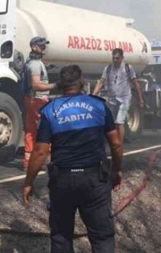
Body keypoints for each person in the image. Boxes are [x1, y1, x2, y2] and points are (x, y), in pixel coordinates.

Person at [23, 65, 123, 253]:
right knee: (102, 237)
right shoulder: (99, 106)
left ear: (60, 84)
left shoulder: (50, 111)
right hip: (95, 181)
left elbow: (40, 152)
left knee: (61, 237)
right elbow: (116, 145)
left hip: (63, 182)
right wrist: (116, 171)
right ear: (83, 81)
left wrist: (28, 182)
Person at [91, 48, 144, 142]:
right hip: (112, 100)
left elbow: (135, 83)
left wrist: (140, 98)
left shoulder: (128, 68)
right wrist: (93, 96)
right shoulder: (107, 69)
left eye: (117, 58)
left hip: (124, 99)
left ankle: (119, 145)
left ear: (122, 58)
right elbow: (101, 82)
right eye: (113, 58)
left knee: (119, 122)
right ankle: (113, 142)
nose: (115, 60)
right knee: (110, 122)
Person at [23, 36, 58, 170]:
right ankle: (45, 158)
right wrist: (55, 85)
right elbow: (36, 85)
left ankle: (27, 160)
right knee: (45, 129)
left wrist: (46, 68)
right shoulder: (35, 64)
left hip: (31, 99)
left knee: (31, 130)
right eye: (41, 45)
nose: (44, 48)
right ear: (34, 47)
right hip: (39, 100)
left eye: (44, 45)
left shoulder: (31, 61)